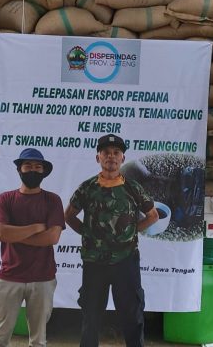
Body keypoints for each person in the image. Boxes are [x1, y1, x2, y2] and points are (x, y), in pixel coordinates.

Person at [64, 134, 159, 347]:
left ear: (122, 159)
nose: (111, 157)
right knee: (91, 317)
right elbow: (68, 216)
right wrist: (89, 235)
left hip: (126, 262)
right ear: (98, 157)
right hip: (94, 263)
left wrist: (132, 231)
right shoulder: (87, 187)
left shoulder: (133, 188)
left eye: (116, 153)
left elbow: (153, 215)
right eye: (106, 153)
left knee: (132, 317)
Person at [0, 148, 65, 347]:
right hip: (9, 277)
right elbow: (1, 234)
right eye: (28, 166)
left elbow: (52, 237)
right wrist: (35, 228)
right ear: (19, 169)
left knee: (38, 340)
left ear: (44, 172)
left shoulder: (53, 200)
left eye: (37, 167)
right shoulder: (5, 199)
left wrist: (15, 235)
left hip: (43, 279)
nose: (33, 170)